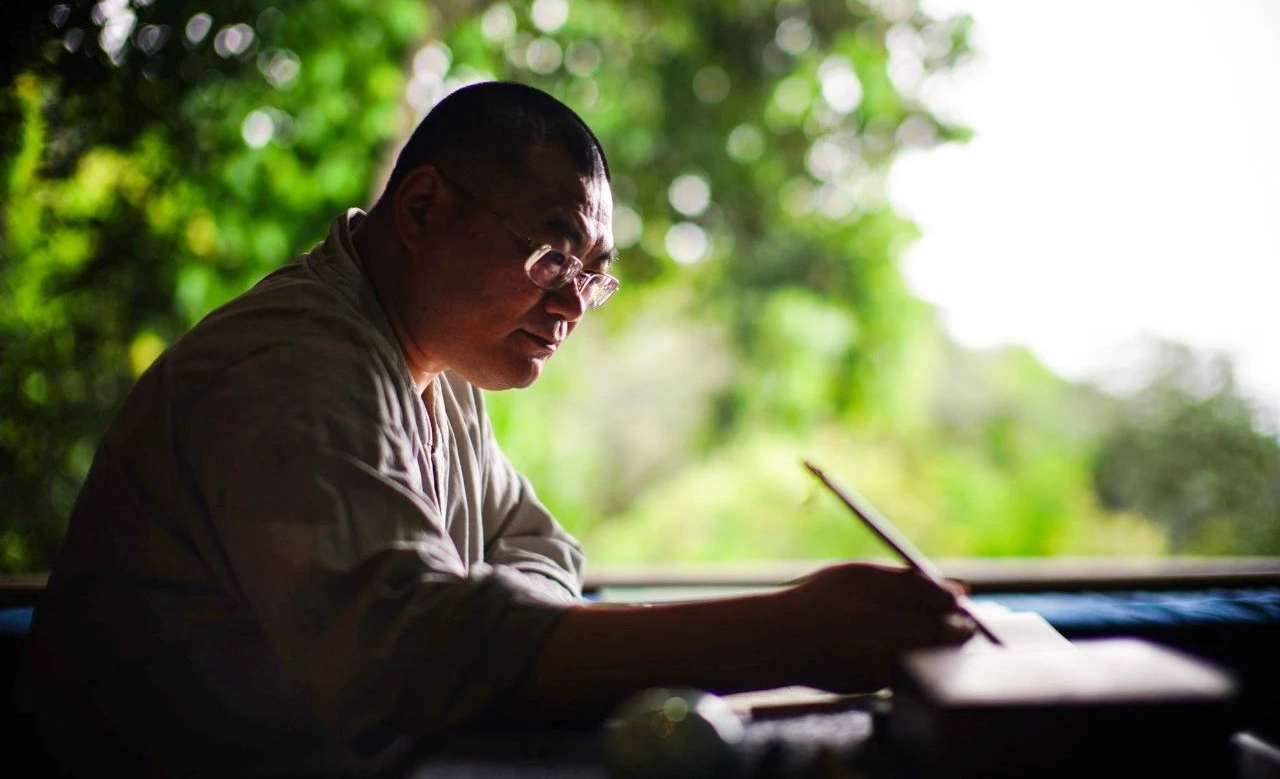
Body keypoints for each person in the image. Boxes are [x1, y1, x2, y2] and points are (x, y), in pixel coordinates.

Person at [19, 82, 972, 775]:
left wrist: (489, 630)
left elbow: (534, 543)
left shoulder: (435, 363)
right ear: (425, 207)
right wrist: (786, 633)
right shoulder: (290, 367)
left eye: (593, 275)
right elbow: (413, 654)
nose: (572, 306)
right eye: (555, 254)